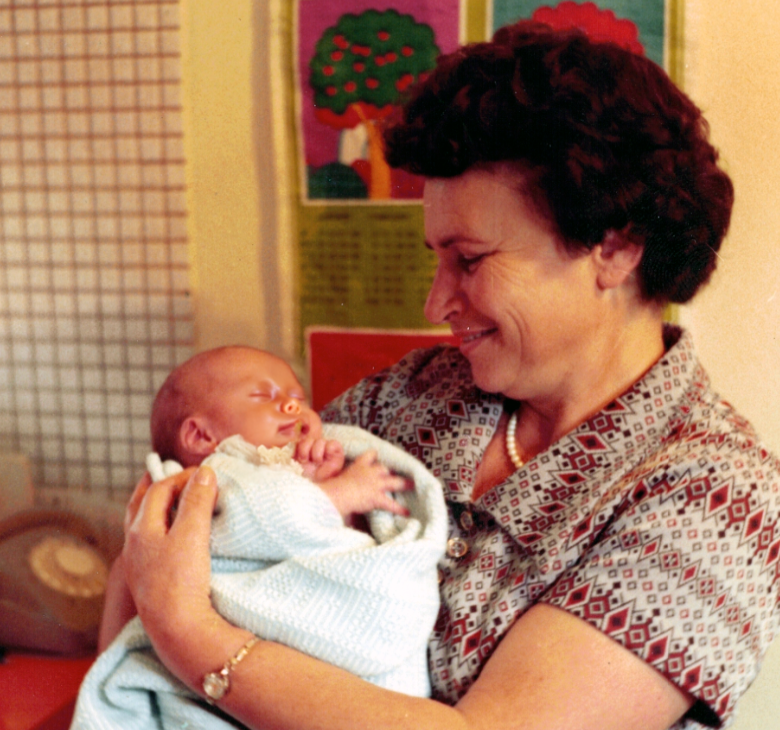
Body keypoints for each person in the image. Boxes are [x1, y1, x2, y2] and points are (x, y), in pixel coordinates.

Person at [116, 21, 780, 730]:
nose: (436, 303)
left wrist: (189, 634)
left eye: (470, 260)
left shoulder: (718, 500)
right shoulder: (413, 397)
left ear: (613, 246)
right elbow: (163, 533)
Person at [71, 347, 447, 729]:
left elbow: (323, 548)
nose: (291, 407)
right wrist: (342, 494)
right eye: (264, 397)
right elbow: (253, 521)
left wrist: (331, 499)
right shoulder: (212, 475)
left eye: (298, 398)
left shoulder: (293, 470)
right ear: (201, 436)